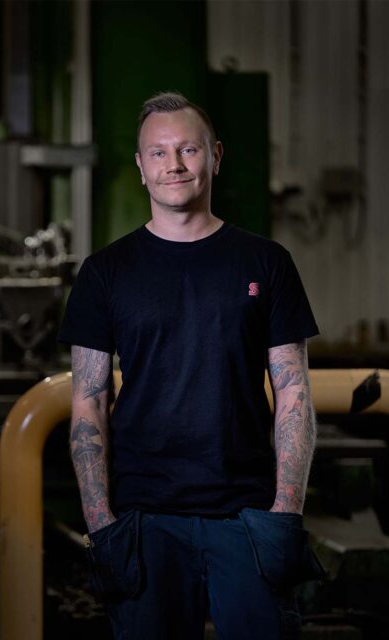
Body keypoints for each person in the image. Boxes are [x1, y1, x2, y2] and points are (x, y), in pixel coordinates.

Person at [59, 92, 324, 640]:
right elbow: (88, 402)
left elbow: (294, 391)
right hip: (143, 519)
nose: (173, 165)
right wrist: (101, 524)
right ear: (139, 167)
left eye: (188, 149)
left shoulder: (266, 262)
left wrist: (283, 512)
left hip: (248, 517)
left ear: (216, 155)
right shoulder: (106, 272)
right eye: (157, 153)